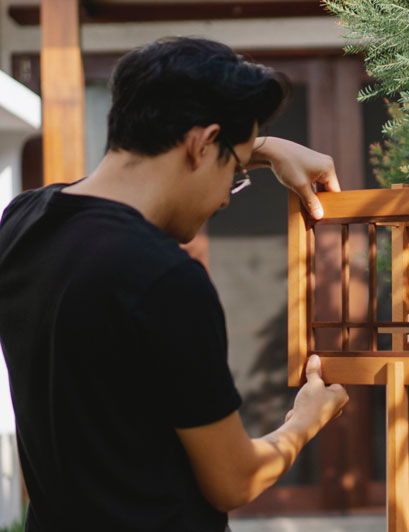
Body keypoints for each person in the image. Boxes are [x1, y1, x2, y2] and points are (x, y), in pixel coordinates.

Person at [0, 37, 348, 532]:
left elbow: (128, 189)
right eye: (233, 172)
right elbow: (235, 480)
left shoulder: (22, 221)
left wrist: (258, 150)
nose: (228, 199)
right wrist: (306, 420)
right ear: (201, 145)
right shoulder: (163, 277)